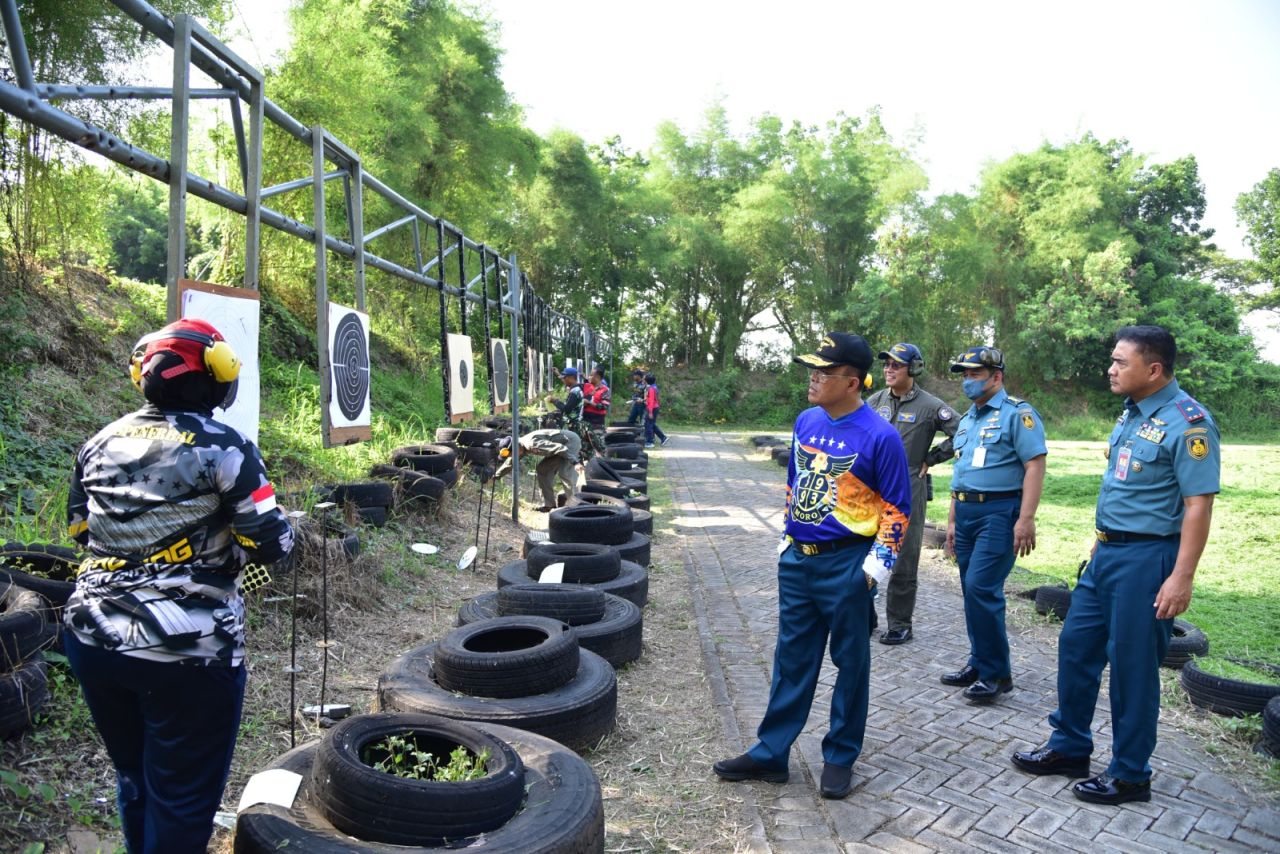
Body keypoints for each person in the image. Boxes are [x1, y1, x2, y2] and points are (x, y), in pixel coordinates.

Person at [62, 318, 294, 854]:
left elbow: (80, 530)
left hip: (93, 635)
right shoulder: (225, 445)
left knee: (135, 776)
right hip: (188, 649)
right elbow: (272, 545)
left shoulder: (98, 443)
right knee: (183, 798)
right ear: (214, 376)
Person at [1012, 325, 1219, 805]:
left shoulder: (1189, 423)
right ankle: (1068, 747)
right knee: (1076, 647)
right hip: (1107, 554)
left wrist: (1181, 577)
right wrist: (1098, 544)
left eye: (1120, 362)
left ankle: (1130, 774)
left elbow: (1198, 506)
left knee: (1132, 668)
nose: (1110, 369)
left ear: (1154, 368)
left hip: (1149, 561)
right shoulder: (1131, 414)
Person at [714, 333, 911, 800]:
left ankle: (840, 755)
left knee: (851, 663)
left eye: (824, 372)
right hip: (799, 563)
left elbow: (897, 509)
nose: (813, 378)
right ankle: (771, 753)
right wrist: (788, 539)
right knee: (792, 659)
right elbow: (794, 481)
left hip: (847, 565)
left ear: (852, 381)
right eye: (812, 369)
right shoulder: (805, 420)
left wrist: (872, 573)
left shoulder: (880, 436)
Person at [942, 345, 1046, 704]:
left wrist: (1026, 518)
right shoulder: (968, 419)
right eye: (965, 375)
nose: (968, 381)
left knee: (982, 589)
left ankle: (997, 674)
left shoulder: (1018, 414)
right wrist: (953, 521)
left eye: (975, 374)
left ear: (996, 377)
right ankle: (978, 661)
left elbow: (1035, 464)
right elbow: (961, 474)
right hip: (967, 513)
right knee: (972, 592)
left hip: (1000, 514)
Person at [865, 342, 958, 645]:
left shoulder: (931, 406)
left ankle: (900, 623)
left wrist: (932, 458)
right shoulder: (873, 402)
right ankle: (864, 615)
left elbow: (964, 432)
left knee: (904, 556)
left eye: (896, 365)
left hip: (907, 486)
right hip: (870, 488)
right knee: (862, 551)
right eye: (886, 364)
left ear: (913, 369)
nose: (889, 370)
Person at [495, 427, 582, 511]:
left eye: (512, 454)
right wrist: (495, 477)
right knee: (542, 470)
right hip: (559, 448)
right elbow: (509, 463)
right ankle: (549, 505)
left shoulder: (531, 443)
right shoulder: (520, 447)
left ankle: (576, 507)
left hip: (569, 442)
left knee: (565, 472)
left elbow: (560, 448)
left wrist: (576, 462)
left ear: (516, 448)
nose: (512, 457)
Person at [643, 372, 668, 447]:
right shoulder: (654, 387)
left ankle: (650, 442)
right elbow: (651, 399)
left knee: (648, 425)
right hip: (655, 407)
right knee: (652, 424)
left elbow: (651, 402)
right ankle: (663, 437)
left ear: (647, 381)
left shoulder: (651, 389)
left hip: (652, 408)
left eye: (644, 379)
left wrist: (650, 412)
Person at [583, 365, 611, 431]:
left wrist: (589, 403)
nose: (589, 377)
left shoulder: (605, 390)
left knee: (596, 439)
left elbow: (604, 406)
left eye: (591, 375)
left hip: (597, 421)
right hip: (585, 418)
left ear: (597, 377)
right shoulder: (586, 386)